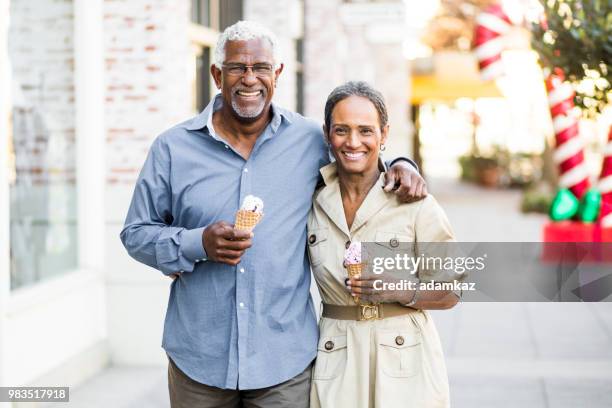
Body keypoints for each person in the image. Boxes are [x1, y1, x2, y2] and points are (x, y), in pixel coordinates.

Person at [120, 21, 426, 408]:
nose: (250, 79)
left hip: (283, 362)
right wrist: (198, 243)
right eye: (237, 68)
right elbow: (135, 233)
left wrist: (402, 162)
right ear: (217, 74)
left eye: (261, 67)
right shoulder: (172, 148)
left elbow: (360, 152)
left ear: (277, 74)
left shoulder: (309, 141)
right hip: (199, 359)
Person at [308, 81, 459, 408]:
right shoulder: (312, 200)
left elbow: (453, 290)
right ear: (326, 134)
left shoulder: (414, 200)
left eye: (366, 130)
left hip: (405, 358)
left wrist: (400, 290)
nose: (353, 142)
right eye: (341, 130)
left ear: (384, 134)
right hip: (335, 357)